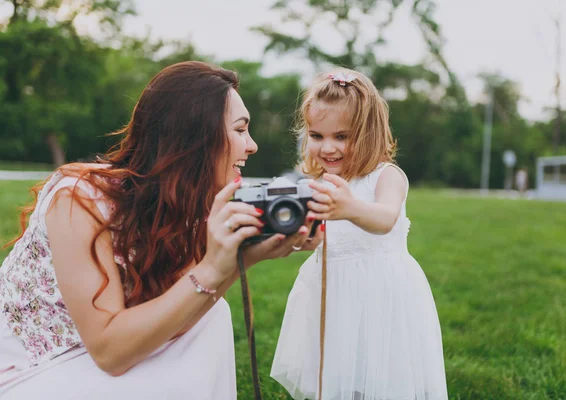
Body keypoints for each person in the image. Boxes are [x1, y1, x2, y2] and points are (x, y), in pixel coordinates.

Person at [0, 61, 323, 399]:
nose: (252, 145)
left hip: (105, 356)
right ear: (196, 137)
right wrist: (212, 267)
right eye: (240, 130)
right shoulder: (78, 199)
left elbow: (177, 321)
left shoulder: (183, 209)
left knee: (209, 321)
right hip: (31, 370)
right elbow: (109, 352)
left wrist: (247, 257)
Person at [270, 69, 448, 400]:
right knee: (337, 374)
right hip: (333, 293)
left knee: (379, 376)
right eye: (316, 135)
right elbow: (311, 233)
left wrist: (349, 207)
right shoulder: (319, 183)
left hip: (381, 294)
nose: (328, 148)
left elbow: (384, 218)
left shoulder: (386, 176)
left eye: (341, 136)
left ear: (369, 134)